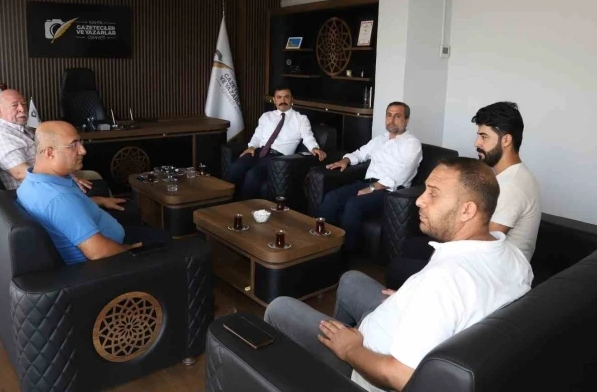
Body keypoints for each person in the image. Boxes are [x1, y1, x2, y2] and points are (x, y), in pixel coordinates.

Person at [265, 157, 533, 392]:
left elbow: (401, 377)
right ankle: (324, 366)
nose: (419, 200)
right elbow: (463, 305)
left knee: (279, 308)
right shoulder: (513, 257)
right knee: (351, 279)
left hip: (370, 370)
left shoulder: (444, 280)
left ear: (467, 210)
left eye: (433, 193)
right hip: (405, 329)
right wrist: (411, 298)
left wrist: (349, 349)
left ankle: (333, 371)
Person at [16, 121, 172, 265]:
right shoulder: (59, 199)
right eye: (73, 145)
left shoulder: (31, 182)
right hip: (110, 259)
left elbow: (64, 212)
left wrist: (98, 200)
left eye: (80, 142)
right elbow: (98, 252)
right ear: (50, 153)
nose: (83, 151)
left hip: (108, 234)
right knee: (167, 241)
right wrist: (129, 250)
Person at [318, 102, 422, 251]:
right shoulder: (380, 139)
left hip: (391, 193)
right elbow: (361, 153)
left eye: (397, 116)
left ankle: (344, 254)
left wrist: (373, 188)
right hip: (367, 184)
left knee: (353, 205)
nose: (391, 120)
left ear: (406, 120)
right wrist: (345, 160)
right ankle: (319, 246)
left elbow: (403, 172)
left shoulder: (411, 144)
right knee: (331, 198)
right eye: (389, 115)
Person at [0, 89, 95, 193]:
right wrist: (67, 180)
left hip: (51, 179)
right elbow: (21, 173)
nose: (22, 109)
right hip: (40, 191)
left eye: (24, 104)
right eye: (14, 105)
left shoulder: (17, 128)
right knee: (95, 177)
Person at [227, 85, 327, 199]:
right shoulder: (266, 116)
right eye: (279, 97)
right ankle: (227, 201)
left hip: (277, 158)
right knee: (236, 167)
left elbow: (308, 136)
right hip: (259, 152)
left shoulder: (301, 119)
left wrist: (314, 148)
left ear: (292, 99)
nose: (282, 100)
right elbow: (257, 136)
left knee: (253, 174)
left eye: (286, 97)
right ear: (274, 100)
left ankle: (242, 206)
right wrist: (252, 147)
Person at [474, 101, 541, 260]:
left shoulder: (510, 185)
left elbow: (480, 246)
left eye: (484, 136)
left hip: (498, 270)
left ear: (506, 140)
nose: (477, 143)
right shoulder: (510, 176)